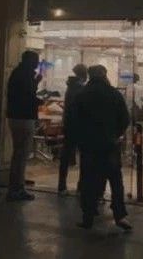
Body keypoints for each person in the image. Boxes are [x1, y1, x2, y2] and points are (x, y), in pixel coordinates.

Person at [67, 64, 132, 231]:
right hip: (109, 145)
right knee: (115, 181)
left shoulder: (82, 95)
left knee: (88, 180)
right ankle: (119, 215)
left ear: (90, 75)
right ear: (104, 75)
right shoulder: (114, 94)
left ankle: (88, 216)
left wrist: (81, 138)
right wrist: (114, 134)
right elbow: (125, 118)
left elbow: (73, 119)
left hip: (89, 145)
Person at [6, 50, 42, 201]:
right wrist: (37, 85)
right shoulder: (26, 75)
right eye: (36, 60)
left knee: (18, 153)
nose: (37, 63)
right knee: (21, 154)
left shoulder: (17, 72)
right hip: (24, 117)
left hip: (14, 116)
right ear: (30, 61)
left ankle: (16, 184)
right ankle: (17, 188)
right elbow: (28, 96)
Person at [58, 63, 87, 194]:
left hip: (69, 125)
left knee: (65, 156)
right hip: (80, 126)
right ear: (84, 74)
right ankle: (80, 186)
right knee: (84, 156)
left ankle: (62, 185)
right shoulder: (80, 88)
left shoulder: (71, 86)